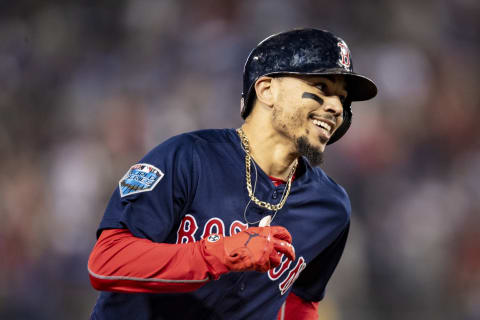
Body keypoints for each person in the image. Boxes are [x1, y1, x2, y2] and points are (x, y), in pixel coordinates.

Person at [87, 28, 377, 320]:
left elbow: (302, 301)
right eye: (321, 87)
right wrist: (221, 252)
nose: (336, 107)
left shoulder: (330, 208)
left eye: (343, 99)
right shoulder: (188, 157)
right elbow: (107, 262)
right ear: (267, 90)